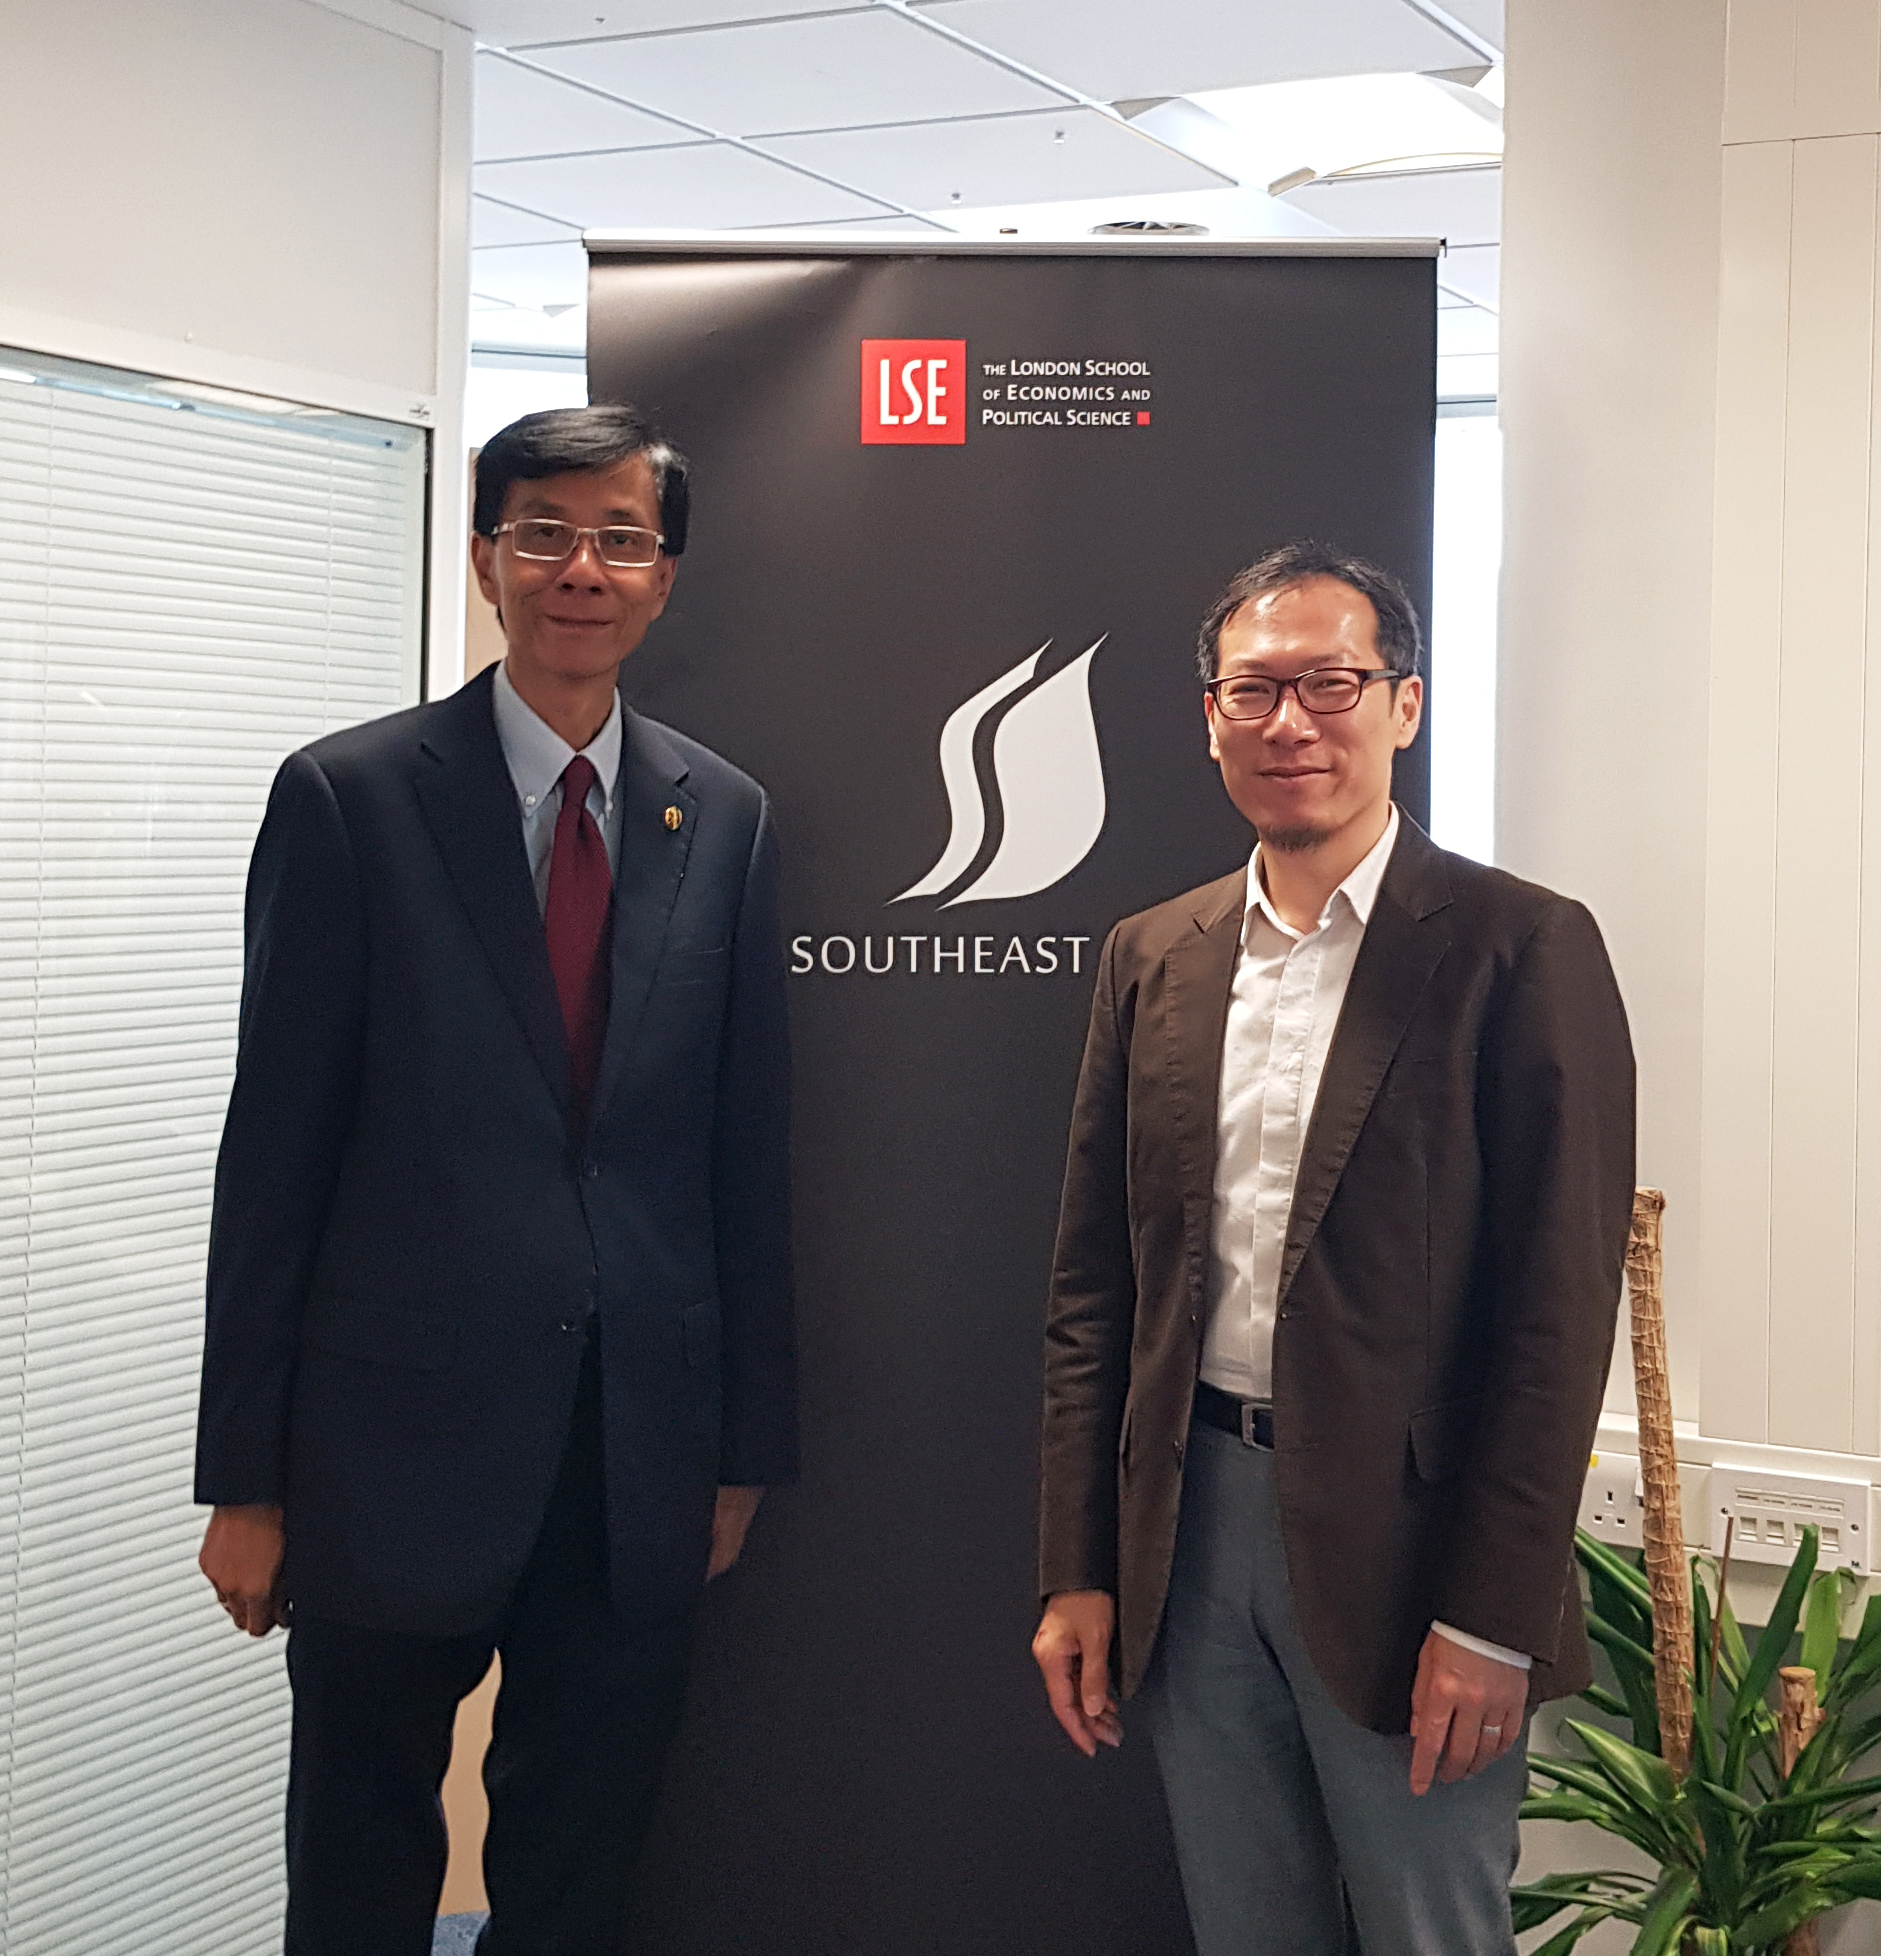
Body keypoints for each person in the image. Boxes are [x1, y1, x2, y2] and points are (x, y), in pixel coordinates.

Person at [194, 404, 796, 1955]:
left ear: (664, 576)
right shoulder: (350, 798)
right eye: (543, 533)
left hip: (632, 1455)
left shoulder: (722, 816)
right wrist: (244, 1479)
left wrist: (738, 1445)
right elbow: (274, 1157)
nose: (579, 568)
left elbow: (741, 1149)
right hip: (383, 1450)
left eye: (619, 539)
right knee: (359, 1870)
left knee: (577, 1869)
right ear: (484, 560)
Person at [1030, 542, 1635, 1956]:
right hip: (1189, 1534)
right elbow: (1093, 1292)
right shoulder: (1153, 953)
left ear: (1404, 704)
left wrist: (1492, 1617)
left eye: (1331, 684)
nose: (1289, 722)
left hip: (1416, 1556)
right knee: (1246, 1926)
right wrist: (1078, 1563)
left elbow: (1556, 1319)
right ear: (1209, 718)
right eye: (1253, 690)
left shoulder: (1517, 947)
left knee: (1431, 1931)